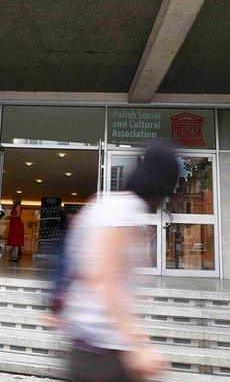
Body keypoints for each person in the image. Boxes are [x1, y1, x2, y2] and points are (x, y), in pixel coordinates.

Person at [60, 140, 180, 382]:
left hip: (88, 345)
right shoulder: (125, 212)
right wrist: (139, 346)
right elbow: (109, 279)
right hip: (104, 352)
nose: (164, 201)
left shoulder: (103, 203)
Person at [7, 197, 25, 262]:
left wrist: (10, 216)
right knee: (15, 242)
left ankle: (14, 256)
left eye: (14, 199)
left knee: (15, 241)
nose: (12, 200)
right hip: (14, 224)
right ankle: (14, 256)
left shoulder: (18, 206)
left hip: (16, 224)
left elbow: (18, 215)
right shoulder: (14, 206)